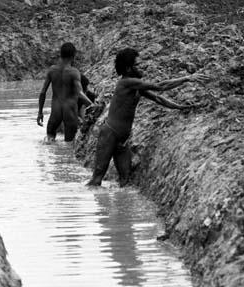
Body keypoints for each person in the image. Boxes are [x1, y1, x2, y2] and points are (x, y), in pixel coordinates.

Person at [87, 47, 195, 187]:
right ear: (128, 68)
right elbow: (159, 86)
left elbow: (158, 98)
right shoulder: (126, 82)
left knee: (125, 181)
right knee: (96, 180)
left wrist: (179, 107)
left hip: (121, 139)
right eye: (137, 65)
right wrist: (186, 78)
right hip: (109, 134)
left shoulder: (135, 86)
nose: (142, 67)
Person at [37, 42, 93, 142]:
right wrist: (93, 105)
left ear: (60, 54)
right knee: (69, 145)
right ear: (73, 56)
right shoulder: (74, 72)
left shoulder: (52, 70)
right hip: (70, 112)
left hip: (55, 112)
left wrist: (40, 112)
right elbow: (80, 93)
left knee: (49, 139)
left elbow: (42, 93)